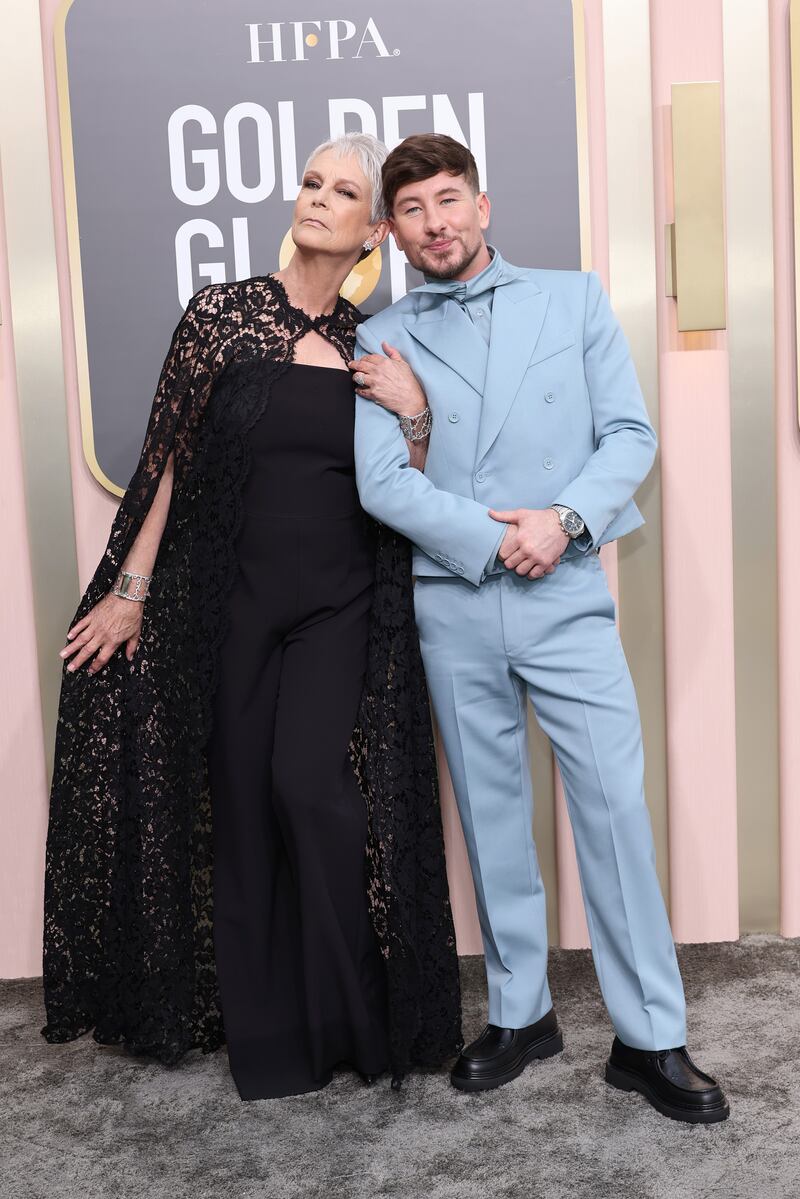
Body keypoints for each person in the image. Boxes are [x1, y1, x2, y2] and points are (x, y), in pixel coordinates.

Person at [41, 132, 462, 1100]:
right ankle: (270, 1045)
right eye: (311, 181)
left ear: (370, 232)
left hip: (338, 602)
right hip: (229, 599)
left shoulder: (370, 347)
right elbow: (167, 464)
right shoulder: (221, 317)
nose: (319, 197)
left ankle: (350, 1018)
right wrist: (130, 591)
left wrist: (415, 413)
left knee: (311, 789)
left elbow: (405, 487)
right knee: (236, 800)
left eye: (343, 190)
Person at [351, 133, 729, 1123]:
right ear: (391, 229)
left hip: (563, 588)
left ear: (481, 204)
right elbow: (380, 480)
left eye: (447, 199)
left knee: (610, 808)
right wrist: (492, 539)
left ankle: (650, 1035)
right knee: (489, 812)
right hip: (454, 598)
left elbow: (628, 436)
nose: (434, 222)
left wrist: (557, 523)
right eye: (412, 209)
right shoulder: (378, 336)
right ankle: (520, 1011)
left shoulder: (572, 299)